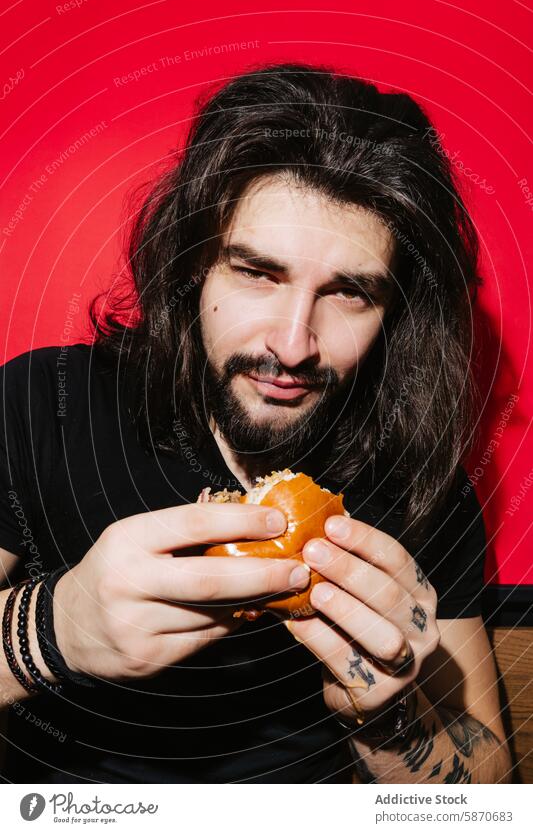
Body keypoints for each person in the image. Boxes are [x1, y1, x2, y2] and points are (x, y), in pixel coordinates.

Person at [0, 63, 512, 784]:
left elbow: (490, 791)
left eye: (349, 292)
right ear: (193, 267)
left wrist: (391, 713)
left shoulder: (418, 479)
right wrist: (55, 628)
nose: (294, 344)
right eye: (257, 273)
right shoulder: (43, 405)